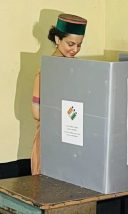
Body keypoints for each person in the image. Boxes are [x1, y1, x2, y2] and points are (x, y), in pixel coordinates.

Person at [31, 14, 87, 175]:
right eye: (70, 44)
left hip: (73, 140)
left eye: (79, 45)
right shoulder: (45, 71)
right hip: (50, 140)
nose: (75, 50)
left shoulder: (78, 68)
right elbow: (36, 112)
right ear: (57, 39)